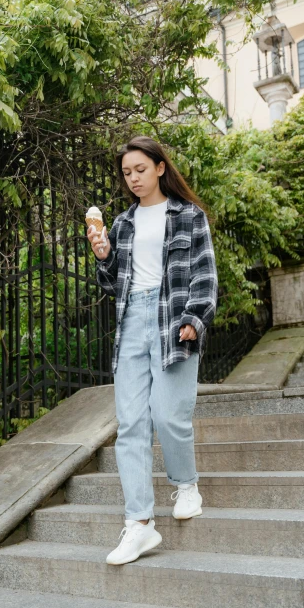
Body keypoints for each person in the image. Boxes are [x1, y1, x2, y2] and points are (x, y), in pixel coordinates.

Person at [87, 136, 218, 565]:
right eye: (127, 173)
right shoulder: (123, 224)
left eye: (140, 170)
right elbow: (113, 284)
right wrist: (103, 255)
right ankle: (139, 524)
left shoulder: (189, 217)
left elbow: (204, 276)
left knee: (167, 413)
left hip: (173, 317)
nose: (133, 179)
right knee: (130, 424)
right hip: (132, 323)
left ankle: (186, 485)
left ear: (160, 168)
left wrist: (193, 319)